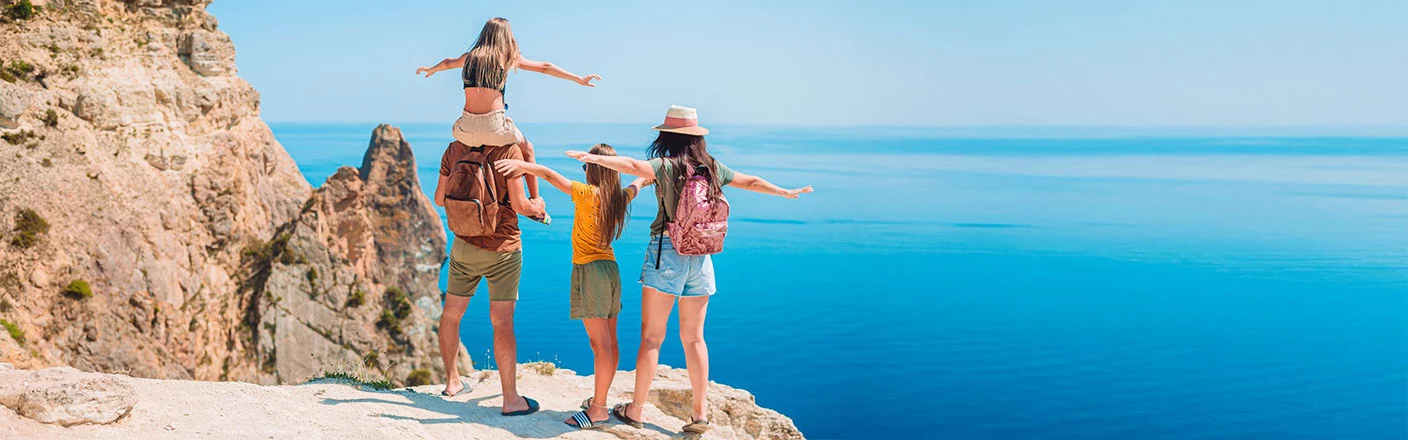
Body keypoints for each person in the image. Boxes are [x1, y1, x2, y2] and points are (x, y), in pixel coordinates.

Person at [565, 105, 814, 433]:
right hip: (702, 255)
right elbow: (750, 181)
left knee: (652, 338)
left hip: (666, 253)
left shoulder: (666, 166)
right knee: (695, 338)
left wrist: (594, 159)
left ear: (667, 136)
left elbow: (632, 165)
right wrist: (783, 191)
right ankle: (699, 415)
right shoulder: (711, 167)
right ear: (697, 137)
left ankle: (636, 410)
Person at [494, 144, 650, 430]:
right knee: (611, 343)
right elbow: (635, 185)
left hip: (590, 271)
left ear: (593, 169)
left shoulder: (589, 194)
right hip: (610, 270)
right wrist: (643, 178)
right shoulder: (619, 198)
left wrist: (524, 167)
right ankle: (599, 399)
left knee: (598, 344)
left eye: (586, 167)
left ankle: (598, 409)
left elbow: (552, 177)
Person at [416, 17, 601, 225]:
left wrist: (431, 69)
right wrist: (578, 79)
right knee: (528, 149)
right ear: (506, 37)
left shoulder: (469, 57)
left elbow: (448, 63)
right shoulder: (506, 57)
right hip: (495, 127)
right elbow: (545, 67)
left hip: (465, 127)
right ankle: (535, 202)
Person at [433, 139, 546, 416]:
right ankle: (510, 400)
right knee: (502, 321)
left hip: (464, 245)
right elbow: (520, 205)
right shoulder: (508, 151)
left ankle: (452, 382)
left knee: (451, 314)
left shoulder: (454, 149)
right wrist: (538, 205)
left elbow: (439, 199)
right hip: (503, 249)